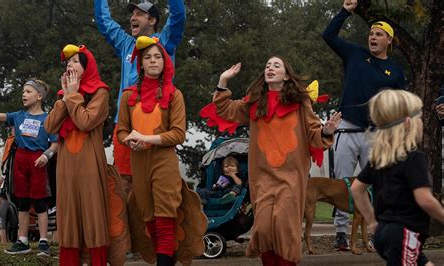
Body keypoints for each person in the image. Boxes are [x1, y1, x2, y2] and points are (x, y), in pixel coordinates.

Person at [202, 58, 341, 265]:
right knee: (264, 228)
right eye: (267, 65)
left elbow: (314, 134)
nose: (270, 68)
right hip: (263, 177)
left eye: (276, 65)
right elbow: (226, 110)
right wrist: (223, 81)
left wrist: (327, 131)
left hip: (291, 177)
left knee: (283, 227)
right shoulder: (254, 102)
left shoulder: (300, 102)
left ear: (286, 75)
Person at [322, 0, 406, 250]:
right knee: (343, 184)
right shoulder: (355, 54)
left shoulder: (396, 71)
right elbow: (328, 35)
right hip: (347, 128)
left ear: (389, 40)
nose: (373, 37)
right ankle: (340, 234)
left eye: (379, 34)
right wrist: (345, 12)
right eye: (371, 33)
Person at [117, 36, 206, 266]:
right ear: (141, 63)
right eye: (148, 57)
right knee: (149, 219)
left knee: (165, 217)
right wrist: (129, 141)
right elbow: (121, 131)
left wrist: (145, 138)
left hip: (164, 162)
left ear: (165, 62)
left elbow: (178, 134)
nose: (153, 61)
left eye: (158, 57)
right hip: (138, 162)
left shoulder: (174, 95)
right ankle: (164, 260)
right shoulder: (128, 96)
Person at [45, 44, 128, 266]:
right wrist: (66, 98)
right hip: (65, 166)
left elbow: (86, 121)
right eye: (68, 62)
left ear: (86, 66)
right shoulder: (64, 96)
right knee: (68, 217)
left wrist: (73, 97)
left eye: (74, 61)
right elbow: (49, 127)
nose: (69, 65)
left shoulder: (100, 92)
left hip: (90, 163)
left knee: (94, 216)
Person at [94, 0, 186, 197]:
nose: (132, 18)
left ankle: (151, 227)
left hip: (155, 122)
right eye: (132, 14)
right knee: (123, 182)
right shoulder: (127, 44)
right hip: (125, 123)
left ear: (152, 20)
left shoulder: (165, 42)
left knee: (152, 184)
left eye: (139, 14)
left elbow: (178, 17)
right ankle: (124, 229)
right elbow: (104, 21)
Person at [351, 89, 444, 266]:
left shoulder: (379, 159)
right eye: (420, 119)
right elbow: (425, 200)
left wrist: (372, 222)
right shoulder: (414, 158)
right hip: (404, 235)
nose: (422, 124)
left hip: (385, 234)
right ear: (409, 123)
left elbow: (356, 189)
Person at [0, 79, 58, 256]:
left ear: (39, 96)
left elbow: (56, 144)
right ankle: (22, 240)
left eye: (28, 91)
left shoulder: (48, 118)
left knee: (40, 203)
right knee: (22, 203)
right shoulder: (18, 116)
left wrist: (45, 156)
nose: (23, 94)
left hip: (37, 161)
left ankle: (43, 242)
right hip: (20, 161)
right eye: (23, 91)